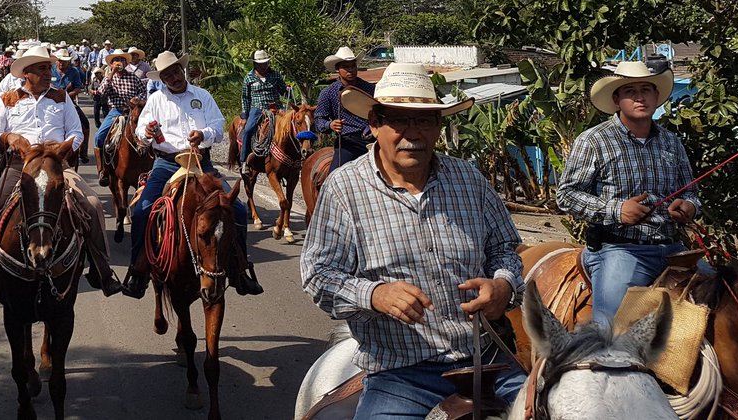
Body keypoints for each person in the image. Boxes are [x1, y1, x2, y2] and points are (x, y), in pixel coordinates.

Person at [300, 62, 525, 419]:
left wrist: (503, 285)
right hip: (401, 375)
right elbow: (318, 275)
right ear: (374, 124)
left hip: (487, 363)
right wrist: (374, 295)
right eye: (398, 120)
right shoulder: (344, 189)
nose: (412, 133)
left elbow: (504, 251)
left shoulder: (469, 179)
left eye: (423, 121)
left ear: (438, 125)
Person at [556, 59, 701, 328]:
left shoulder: (672, 141)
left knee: (724, 303)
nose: (639, 97)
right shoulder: (594, 141)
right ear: (616, 99)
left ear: (656, 96)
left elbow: (692, 193)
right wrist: (617, 210)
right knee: (611, 332)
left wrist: (689, 207)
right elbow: (566, 195)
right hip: (618, 250)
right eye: (630, 91)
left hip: (675, 250)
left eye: (646, 90)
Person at [0, 45, 122, 296]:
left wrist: (64, 147)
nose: (47, 72)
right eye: (41, 68)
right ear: (26, 73)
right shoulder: (8, 99)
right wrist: (9, 137)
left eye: (48, 67)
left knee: (93, 204)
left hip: (56, 166)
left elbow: (76, 132)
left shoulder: (61, 97)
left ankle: (102, 270)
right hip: (20, 167)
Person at [119, 51, 263, 299]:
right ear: (162, 79)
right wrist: (148, 134)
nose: (173, 77)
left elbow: (218, 127)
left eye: (175, 71)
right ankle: (138, 271)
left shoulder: (202, 95)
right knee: (142, 209)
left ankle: (241, 268)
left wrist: (203, 134)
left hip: (200, 162)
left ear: (181, 70)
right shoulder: (155, 100)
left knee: (236, 209)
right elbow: (142, 129)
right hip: (167, 164)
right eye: (167, 75)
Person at [93, 48, 148, 187]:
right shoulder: (109, 78)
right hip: (116, 111)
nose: (119, 63)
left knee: (151, 133)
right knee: (99, 137)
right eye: (116, 60)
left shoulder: (133, 77)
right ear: (111, 64)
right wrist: (110, 74)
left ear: (126, 62)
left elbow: (143, 92)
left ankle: (154, 166)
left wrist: (137, 100)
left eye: (122, 60)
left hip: (133, 111)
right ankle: (103, 170)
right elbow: (101, 92)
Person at [314, 46, 376, 168]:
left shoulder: (370, 89)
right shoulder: (328, 93)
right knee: (334, 175)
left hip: (373, 140)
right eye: (346, 67)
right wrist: (330, 125)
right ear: (337, 69)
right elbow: (319, 119)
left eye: (353, 66)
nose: (351, 70)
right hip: (348, 143)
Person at [239, 50, 288, 169]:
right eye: (261, 64)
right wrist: (244, 116)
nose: (264, 66)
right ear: (255, 64)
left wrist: (288, 90)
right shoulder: (249, 78)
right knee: (248, 130)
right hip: (257, 108)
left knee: (289, 128)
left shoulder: (275, 75)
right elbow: (245, 98)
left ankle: (294, 158)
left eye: (265, 63)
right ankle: (244, 160)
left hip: (276, 107)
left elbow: (283, 92)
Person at [52, 48, 90, 162]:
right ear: (56, 61)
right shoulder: (50, 70)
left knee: (85, 124)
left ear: (68, 61)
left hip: (69, 102)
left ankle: (83, 152)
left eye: (64, 61)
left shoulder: (74, 72)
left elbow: (78, 88)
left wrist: (67, 96)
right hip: (50, 102)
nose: (62, 63)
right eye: (60, 60)